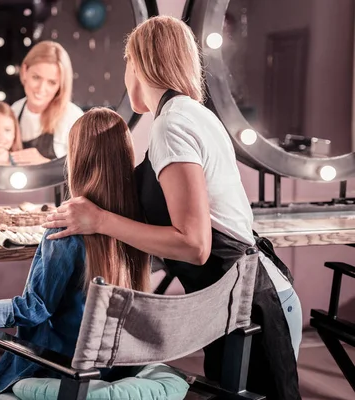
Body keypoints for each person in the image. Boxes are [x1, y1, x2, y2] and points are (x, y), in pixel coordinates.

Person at [43, 16, 302, 400]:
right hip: (237, 300)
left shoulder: (173, 125)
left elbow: (195, 244)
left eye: (126, 63)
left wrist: (100, 220)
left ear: (140, 62)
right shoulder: (189, 115)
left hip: (255, 307)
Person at [0, 108, 151, 397]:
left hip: (60, 369)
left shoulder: (65, 229)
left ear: (77, 160)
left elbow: (33, 309)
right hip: (116, 370)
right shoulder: (139, 227)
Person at [9, 40, 84, 165]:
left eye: (52, 82)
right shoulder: (14, 111)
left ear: (61, 85)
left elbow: (85, 171)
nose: (41, 88)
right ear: (24, 71)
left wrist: (44, 165)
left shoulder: (73, 117)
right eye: (36, 77)